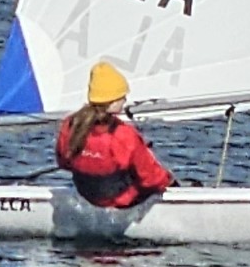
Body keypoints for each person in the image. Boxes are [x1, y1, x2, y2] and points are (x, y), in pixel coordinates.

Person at [56, 61, 173, 209]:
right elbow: (151, 179)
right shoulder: (124, 134)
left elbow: (63, 163)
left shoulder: (71, 124)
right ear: (111, 102)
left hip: (86, 193)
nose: (125, 100)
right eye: (122, 96)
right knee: (159, 177)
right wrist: (170, 182)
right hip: (122, 201)